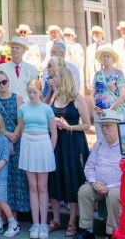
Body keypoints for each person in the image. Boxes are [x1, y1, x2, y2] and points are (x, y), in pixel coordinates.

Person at [75, 111, 125, 239]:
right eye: (103, 126)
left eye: (108, 126)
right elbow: (89, 166)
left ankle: (112, 233)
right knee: (84, 191)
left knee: (113, 195)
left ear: (118, 126)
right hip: (101, 186)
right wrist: (94, 182)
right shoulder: (99, 144)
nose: (104, 129)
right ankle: (86, 230)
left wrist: (109, 187)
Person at [47, 67, 90, 237]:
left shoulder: (77, 98)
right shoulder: (54, 96)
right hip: (56, 142)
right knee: (54, 178)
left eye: (57, 77)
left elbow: (87, 125)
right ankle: (56, 219)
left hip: (72, 143)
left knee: (72, 179)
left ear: (65, 79)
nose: (54, 79)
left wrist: (68, 126)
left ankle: (72, 222)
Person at [14, 79, 57, 239]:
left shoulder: (47, 109)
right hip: (28, 145)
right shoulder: (23, 108)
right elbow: (21, 128)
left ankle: (44, 224)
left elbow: (54, 133)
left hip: (43, 145)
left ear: (40, 92)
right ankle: (35, 224)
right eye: (29, 92)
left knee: (42, 187)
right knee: (32, 187)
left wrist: (49, 151)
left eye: (34, 92)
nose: (32, 95)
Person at [0, 70, 29, 217]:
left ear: (8, 82)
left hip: (15, 142)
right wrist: (7, 136)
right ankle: (2, 217)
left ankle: (13, 216)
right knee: (0, 179)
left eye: (4, 82)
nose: (2, 85)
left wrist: (14, 136)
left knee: (14, 178)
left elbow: (21, 122)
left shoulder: (18, 98)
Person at [92, 44, 125, 141]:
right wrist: (94, 107)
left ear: (113, 58)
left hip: (116, 113)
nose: (105, 58)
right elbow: (91, 94)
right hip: (100, 113)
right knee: (101, 140)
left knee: (117, 140)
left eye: (108, 56)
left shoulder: (118, 74)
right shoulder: (97, 74)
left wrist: (110, 109)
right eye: (103, 56)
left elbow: (122, 96)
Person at [0, 37, 38, 101]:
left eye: (17, 48)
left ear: (24, 51)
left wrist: (24, 102)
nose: (14, 49)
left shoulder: (32, 69)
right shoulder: (2, 68)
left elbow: (34, 89)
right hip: (8, 103)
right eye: (12, 47)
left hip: (27, 104)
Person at [63, 28, 85, 93]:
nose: (67, 37)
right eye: (65, 35)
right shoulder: (62, 46)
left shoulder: (77, 46)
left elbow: (80, 63)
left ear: (73, 36)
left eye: (69, 35)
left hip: (75, 74)